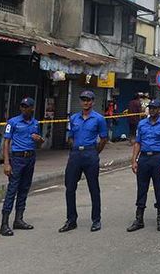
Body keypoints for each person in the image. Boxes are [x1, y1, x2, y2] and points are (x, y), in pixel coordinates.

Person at [59, 90, 109, 233]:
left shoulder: (99, 119)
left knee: (93, 188)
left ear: (93, 102)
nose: (86, 102)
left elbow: (104, 138)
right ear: (80, 101)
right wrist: (74, 147)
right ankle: (71, 219)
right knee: (70, 188)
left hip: (90, 154)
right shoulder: (74, 118)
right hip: (75, 155)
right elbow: (70, 136)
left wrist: (94, 152)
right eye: (83, 100)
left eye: (89, 100)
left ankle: (96, 220)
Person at [0, 97, 44, 237]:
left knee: (24, 189)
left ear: (32, 108)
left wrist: (40, 140)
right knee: (12, 190)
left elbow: (39, 143)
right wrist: (6, 163)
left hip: (30, 158)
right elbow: (6, 142)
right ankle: (4, 223)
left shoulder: (35, 123)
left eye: (27, 107)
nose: (24, 109)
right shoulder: (13, 122)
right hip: (17, 159)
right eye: (22, 106)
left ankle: (18, 219)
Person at [127, 99, 160, 232]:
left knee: (159, 188)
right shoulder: (141, 124)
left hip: (158, 158)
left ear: (159, 110)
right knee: (142, 189)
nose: (152, 110)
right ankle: (139, 219)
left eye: (155, 108)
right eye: (150, 108)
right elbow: (138, 143)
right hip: (144, 159)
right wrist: (134, 160)